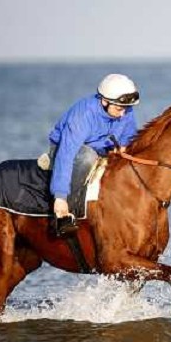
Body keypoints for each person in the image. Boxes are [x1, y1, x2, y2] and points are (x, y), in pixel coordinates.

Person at [45, 73, 140, 235]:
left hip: (101, 150)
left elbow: (128, 140)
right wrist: (60, 197)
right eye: (119, 109)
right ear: (104, 101)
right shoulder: (83, 115)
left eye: (125, 109)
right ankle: (65, 215)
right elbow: (66, 155)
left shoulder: (125, 110)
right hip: (68, 150)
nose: (123, 114)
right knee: (88, 157)